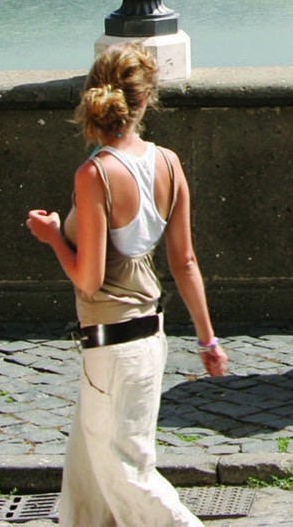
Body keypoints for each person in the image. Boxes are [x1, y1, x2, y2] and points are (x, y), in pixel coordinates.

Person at [26, 45, 227, 527]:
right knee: (87, 478)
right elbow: (184, 262)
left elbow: (89, 280)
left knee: (125, 471)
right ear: (146, 99)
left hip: (111, 345)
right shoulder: (169, 164)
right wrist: (207, 340)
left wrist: (54, 237)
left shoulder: (95, 174)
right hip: (149, 339)